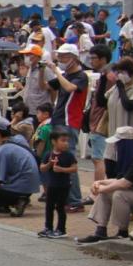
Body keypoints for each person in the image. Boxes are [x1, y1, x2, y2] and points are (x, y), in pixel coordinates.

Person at [75, 129, 133, 245]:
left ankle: (122, 232)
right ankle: (100, 230)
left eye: (118, 143)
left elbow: (125, 183)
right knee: (107, 192)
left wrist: (101, 188)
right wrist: (100, 183)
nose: (116, 147)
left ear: (126, 143)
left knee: (119, 194)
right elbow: (122, 179)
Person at [45, 43, 89, 210]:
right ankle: (65, 199)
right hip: (58, 120)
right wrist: (41, 68)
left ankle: (75, 200)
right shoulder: (65, 75)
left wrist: (56, 71)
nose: (61, 59)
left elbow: (70, 88)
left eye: (64, 57)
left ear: (74, 58)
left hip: (70, 122)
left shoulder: (80, 76)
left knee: (69, 161)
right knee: (58, 159)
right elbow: (46, 86)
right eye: (60, 56)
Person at [0, 116, 42, 218]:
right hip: (31, 186)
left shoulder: (3, 150)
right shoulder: (19, 139)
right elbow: (15, 158)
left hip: (17, 186)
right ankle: (18, 200)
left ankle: (14, 201)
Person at [37, 129, 77, 236]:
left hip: (64, 185)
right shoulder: (48, 154)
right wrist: (49, 164)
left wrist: (62, 169)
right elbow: (42, 168)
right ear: (54, 142)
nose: (66, 143)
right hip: (51, 185)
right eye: (63, 141)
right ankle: (48, 227)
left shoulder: (68, 155)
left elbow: (74, 169)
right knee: (49, 206)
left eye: (67, 141)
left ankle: (61, 229)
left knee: (60, 207)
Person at [84, 44, 112, 182]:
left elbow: (104, 101)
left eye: (94, 58)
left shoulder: (108, 75)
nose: (91, 61)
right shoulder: (106, 74)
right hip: (98, 121)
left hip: (100, 122)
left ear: (103, 59)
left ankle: (97, 192)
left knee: (98, 159)